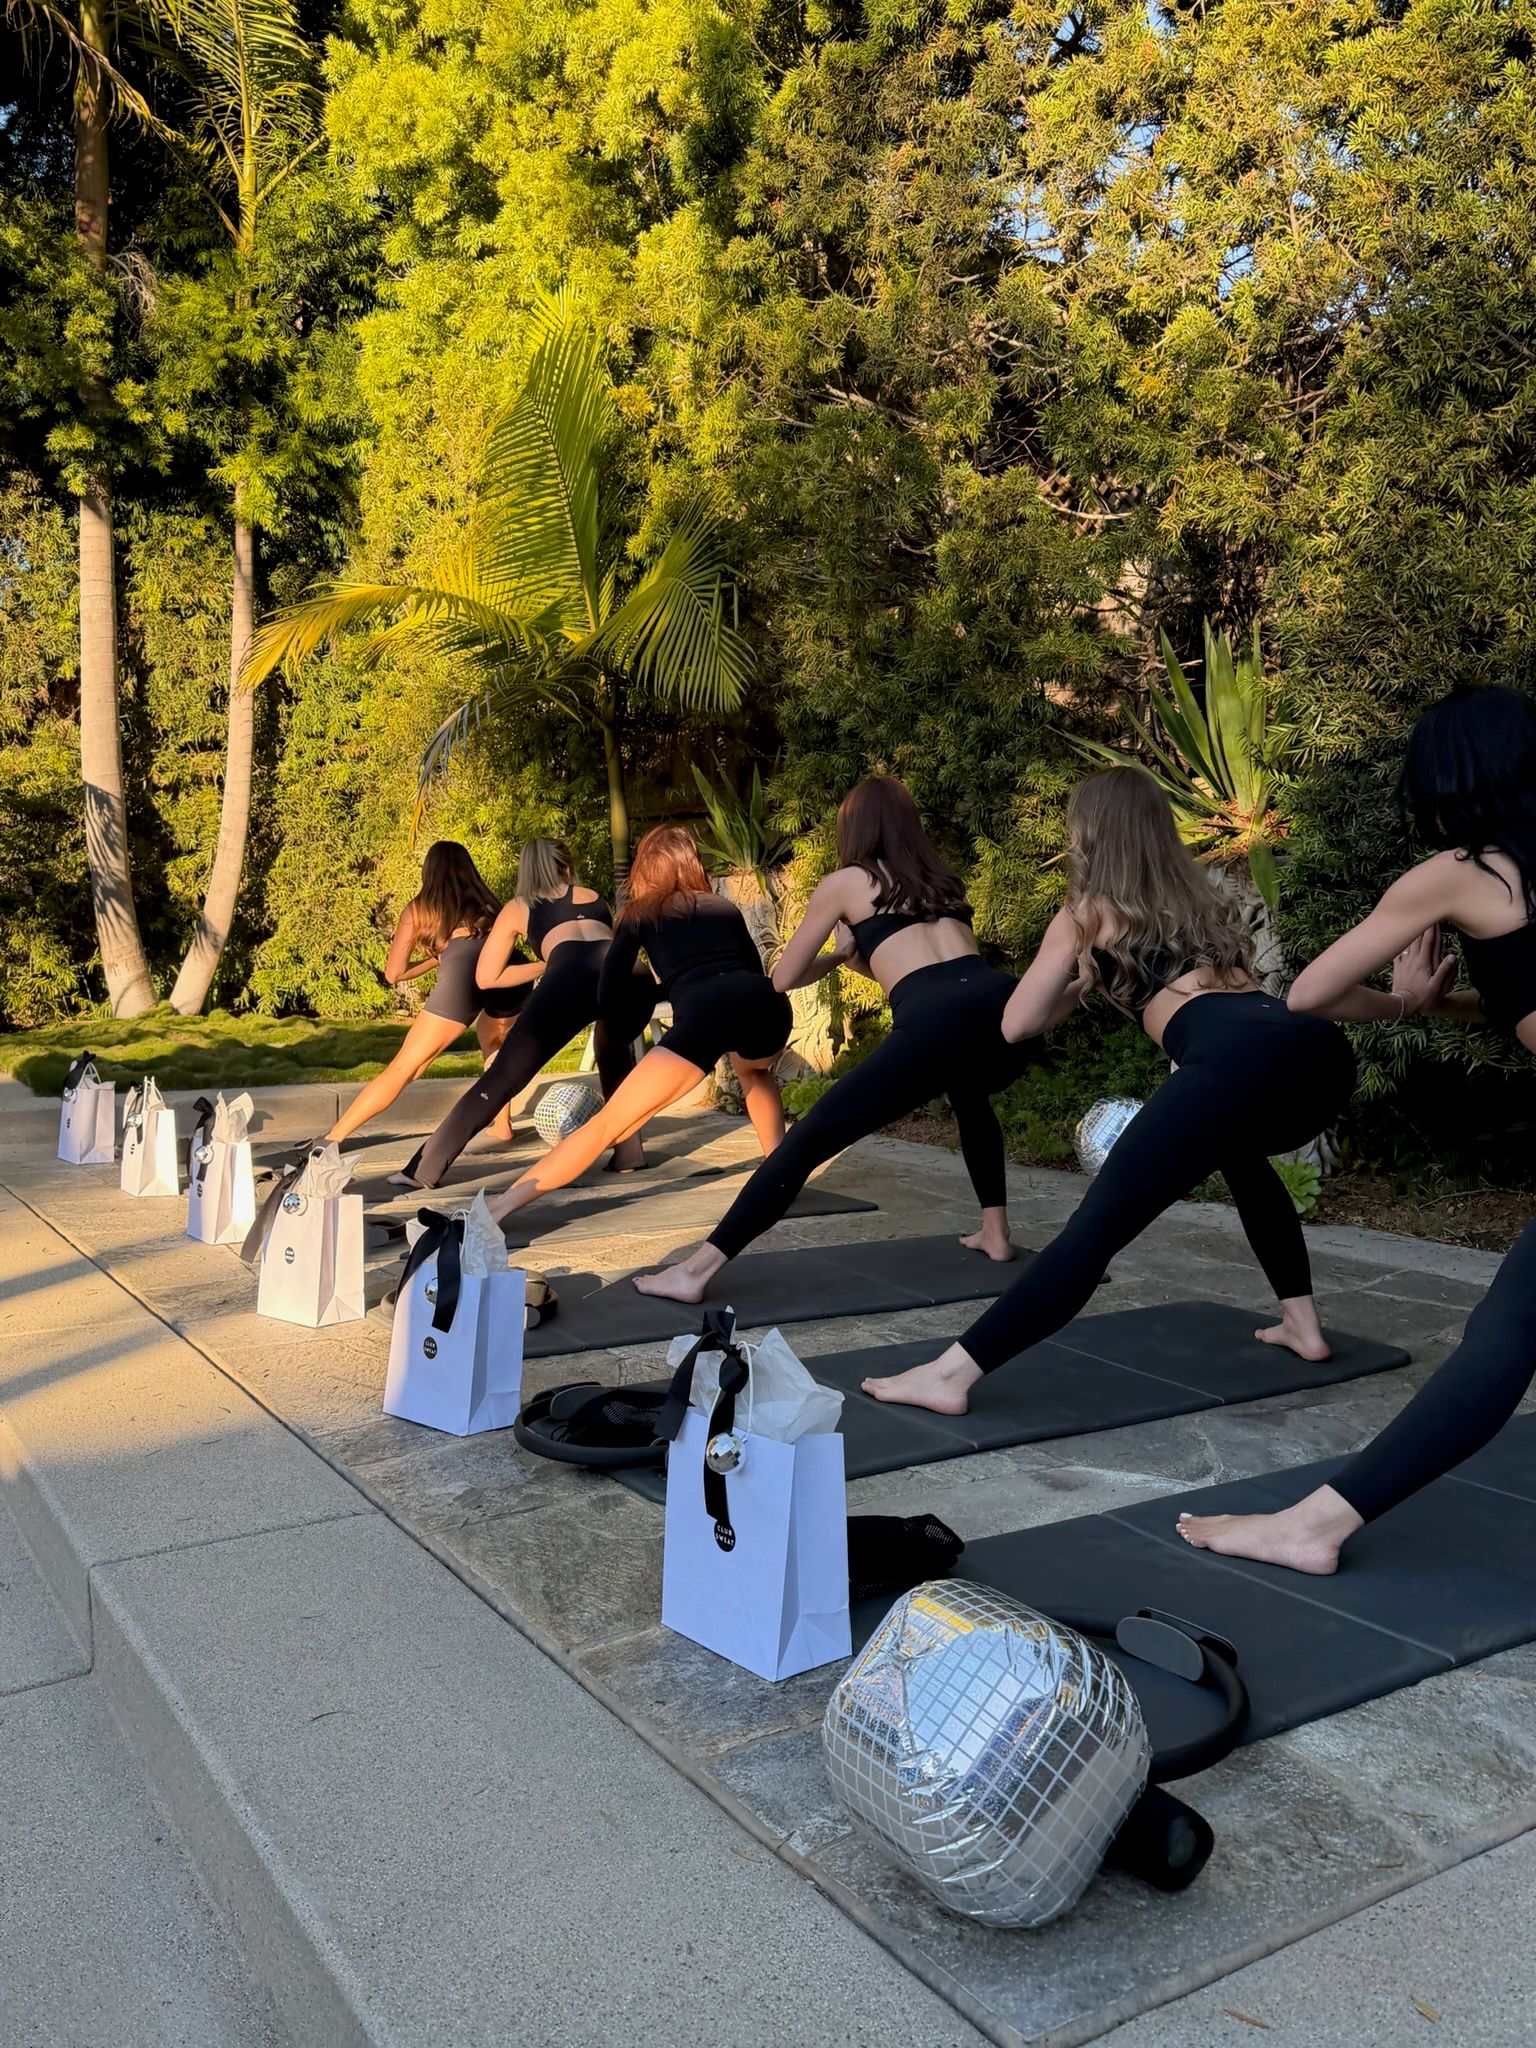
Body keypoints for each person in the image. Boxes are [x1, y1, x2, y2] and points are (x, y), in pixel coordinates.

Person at [860, 765, 1356, 1411]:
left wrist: (1075, 983)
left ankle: (949, 1376)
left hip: (1234, 1064)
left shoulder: (1086, 911)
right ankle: (1304, 1325)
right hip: (1315, 1056)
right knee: (1240, 1152)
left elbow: (1015, 1024)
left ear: (1089, 834)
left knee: (1092, 1232)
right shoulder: (1204, 900)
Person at [1179, 683, 1536, 1574]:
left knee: (1510, 1332)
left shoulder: (1467, 873)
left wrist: (1400, 1003)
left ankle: (1318, 1524)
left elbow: (1309, 993)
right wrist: (1441, 1003)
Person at [629, 776, 1040, 1307]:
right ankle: (996, 1232)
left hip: (938, 1018)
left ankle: (696, 1270)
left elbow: (782, 978)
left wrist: (842, 951)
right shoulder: (945, 884)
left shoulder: (847, 882)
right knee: (969, 1095)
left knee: (807, 1141)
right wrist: (861, 953)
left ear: (857, 829)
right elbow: (922, 972)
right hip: (998, 1002)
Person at [484, 825, 791, 1224]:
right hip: (767, 1008)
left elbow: (611, 989)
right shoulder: (722, 906)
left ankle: (500, 1207)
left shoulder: (637, 913)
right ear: (690, 863)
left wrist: (629, 1019)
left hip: (706, 1012)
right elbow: (748, 968)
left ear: (647, 868)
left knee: (610, 1122)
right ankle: (781, 1176)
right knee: (753, 1070)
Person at [392, 838, 657, 1188]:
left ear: (527, 869)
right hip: (632, 978)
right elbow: (600, 946)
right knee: (613, 1054)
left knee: (502, 1077)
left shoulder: (519, 906)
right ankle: (630, 1153)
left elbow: (487, 977)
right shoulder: (594, 897)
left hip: (571, 978)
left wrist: (544, 966)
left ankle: (422, 1169)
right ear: (566, 866)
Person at [326, 842, 529, 1147]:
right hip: (511, 975)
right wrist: (442, 957)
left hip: (464, 975)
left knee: (407, 1066)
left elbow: (394, 974)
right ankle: (502, 1125)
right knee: (494, 1041)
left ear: (429, 871)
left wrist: (436, 959)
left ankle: (331, 1138)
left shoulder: (420, 909)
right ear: (468, 868)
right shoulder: (488, 903)